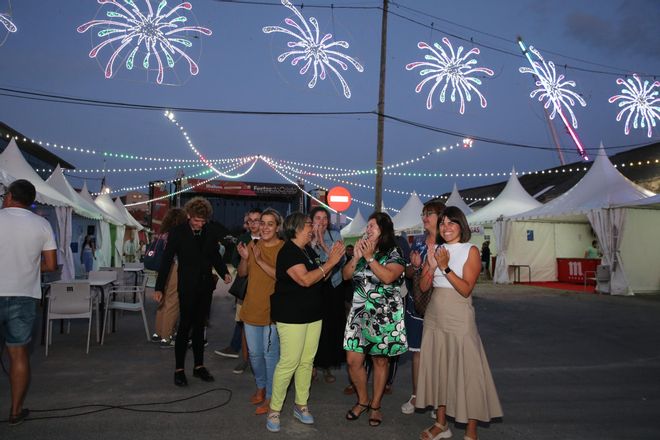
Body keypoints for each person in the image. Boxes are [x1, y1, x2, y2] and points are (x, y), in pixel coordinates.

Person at [416, 206, 502, 440]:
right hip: (435, 314)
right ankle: (441, 423)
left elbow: (465, 289)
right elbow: (424, 288)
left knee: (468, 372)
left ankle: (471, 431)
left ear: (461, 226)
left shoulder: (470, 250)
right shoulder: (436, 249)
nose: (446, 227)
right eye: (442, 223)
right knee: (440, 367)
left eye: (451, 223)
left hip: (459, 315)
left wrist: (444, 267)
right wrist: (430, 266)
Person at [266, 212, 345, 433]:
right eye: (309, 224)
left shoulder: (307, 249)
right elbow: (305, 280)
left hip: (313, 314)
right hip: (291, 316)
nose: (313, 227)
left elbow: (322, 276)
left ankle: (301, 405)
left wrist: (332, 261)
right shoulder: (288, 252)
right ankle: (274, 409)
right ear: (297, 228)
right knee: (289, 362)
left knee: (307, 362)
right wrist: (329, 263)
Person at [154, 197, 232, 386]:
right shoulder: (177, 232)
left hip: (205, 286)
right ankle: (179, 370)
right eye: (196, 221)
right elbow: (166, 260)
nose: (199, 224)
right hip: (187, 285)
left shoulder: (210, 231)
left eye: (202, 221)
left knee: (200, 327)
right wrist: (159, 287)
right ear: (189, 216)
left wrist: (224, 272)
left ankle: (199, 366)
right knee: (184, 326)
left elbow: (214, 254)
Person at [0, 179, 57, 426]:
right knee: (18, 353)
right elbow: (52, 265)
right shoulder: (42, 224)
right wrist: (32, 268)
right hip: (24, 295)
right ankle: (15, 410)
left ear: (10, 196)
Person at [342, 212, 407, 427]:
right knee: (353, 361)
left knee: (380, 360)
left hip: (384, 315)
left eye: (373, 226)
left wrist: (370, 258)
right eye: (367, 226)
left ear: (384, 229)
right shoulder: (362, 250)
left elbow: (388, 277)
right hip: (359, 313)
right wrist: (357, 257)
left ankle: (375, 405)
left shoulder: (393, 252)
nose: (368, 229)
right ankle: (362, 400)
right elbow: (345, 275)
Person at [400, 201, 446, 416]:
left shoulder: (449, 243)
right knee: (417, 353)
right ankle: (417, 395)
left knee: (438, 354)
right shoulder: (418, 242)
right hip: (417, 303)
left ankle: (439, 402)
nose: (425, 217)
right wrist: (415, 266)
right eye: (423, 214)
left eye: (429, 214)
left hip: (440, 304)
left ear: (441, 216)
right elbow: (409, 273)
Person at [237, 208, 285, 415]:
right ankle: (260, 387)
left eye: (269, 224)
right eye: (262, 223)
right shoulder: (253, 244)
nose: (264, 227)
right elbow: (242, 274)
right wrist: (246, 258)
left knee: (270, 355)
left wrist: (259, 259)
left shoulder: (284, 249)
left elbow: (281, 277)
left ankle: (271, 398)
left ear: (277, 227)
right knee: (255, 355)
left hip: (272, 312)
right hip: (250, 308)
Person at [216, 208, 262, 375]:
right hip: (245, 289)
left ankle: (261, 361)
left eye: (257, 220)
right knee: (243, 325)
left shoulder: (270, 238)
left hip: (265, 290)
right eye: (250, 220)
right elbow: (235, 262)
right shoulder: (243, 239)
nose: (253, 224)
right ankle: (245, 359)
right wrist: (247, 260)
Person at [309, 206, 346, 384]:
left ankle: (328, 367)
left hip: (333, 286)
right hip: (314, 287)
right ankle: (312, 365)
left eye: (325, 218)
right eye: (318, 218)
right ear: (311, 220)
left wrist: (323, 243)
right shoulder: (306, 236)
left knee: (331, 327)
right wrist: (315, 242)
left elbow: (340, 260)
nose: (322, 222)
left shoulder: (335, 236)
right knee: (314, 328)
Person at [151, 208, 188, 348]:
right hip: (174, 269)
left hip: (161, 271)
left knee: (162, 300)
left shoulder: (163, 234)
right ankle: (166, 337)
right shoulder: (176, 234)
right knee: (173, 301)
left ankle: (159, 333)